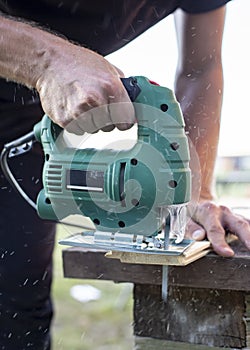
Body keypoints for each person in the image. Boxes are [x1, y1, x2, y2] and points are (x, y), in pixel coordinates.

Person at [0, 1, 249, 349]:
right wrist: (47, 60)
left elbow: (201, 68)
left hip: (30, 117)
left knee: (17, 310)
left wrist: (192, 191)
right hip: (25, 76)